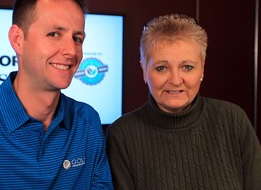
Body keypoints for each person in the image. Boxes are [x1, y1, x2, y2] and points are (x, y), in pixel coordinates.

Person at [0, 0, 113, 189]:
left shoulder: (87, 122)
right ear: (18, 39)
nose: (71, 51)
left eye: (77, 38)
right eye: (54, 34)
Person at [106, 14, 261, 190]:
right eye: (161, 68)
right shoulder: (122, 135)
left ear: (202, 68)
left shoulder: (233, 120)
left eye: (187, 67)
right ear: (144, 70)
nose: (176, 80)